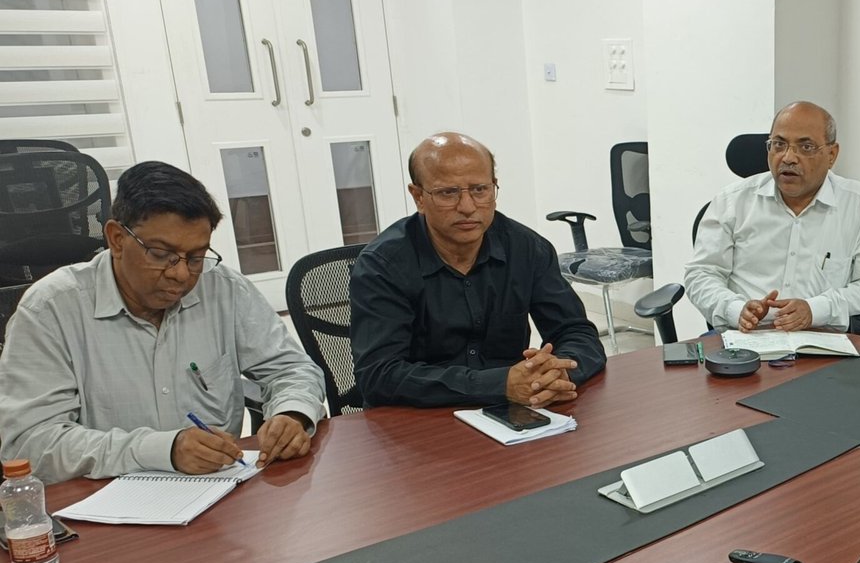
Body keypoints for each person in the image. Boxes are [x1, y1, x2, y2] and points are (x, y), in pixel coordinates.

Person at [0, 161, 325, 483]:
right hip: (104, 499)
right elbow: (29, 444)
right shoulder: (51, 309)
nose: (181, 274)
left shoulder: (222, 288)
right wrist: (162, 450)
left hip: (218, 490)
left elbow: (291, 369)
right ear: (116, 239)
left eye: (196, 257)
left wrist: (291, 413)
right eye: (160, 254)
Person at [351, 132, 605, 408]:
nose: (468, 207)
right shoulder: (383, 265)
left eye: (480, 190)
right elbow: (379, 375)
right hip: (420, 416)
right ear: (418, 197)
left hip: (513, 410)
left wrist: (558, 373)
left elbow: (577, 333)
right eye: (448, 193)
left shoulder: (527, 248)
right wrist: (499, 384)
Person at [684, 101, 860, 333]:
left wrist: (817, 309)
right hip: (743, 338)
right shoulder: (732, 201)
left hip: (820, 340)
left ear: (831, 154)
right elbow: (701, 274)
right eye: (779, 145)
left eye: (805, 147)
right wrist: (734, 309)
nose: (788, 158)